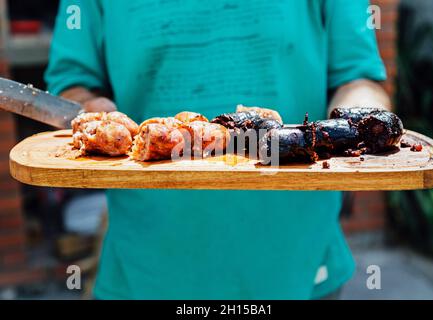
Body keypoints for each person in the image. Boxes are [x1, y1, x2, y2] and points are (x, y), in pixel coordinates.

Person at [46, 0, 390, 299]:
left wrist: (363, 129)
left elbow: (358, 77)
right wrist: (100, 120)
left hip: (302, 264)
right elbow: (72, 83)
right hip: (147, 270)